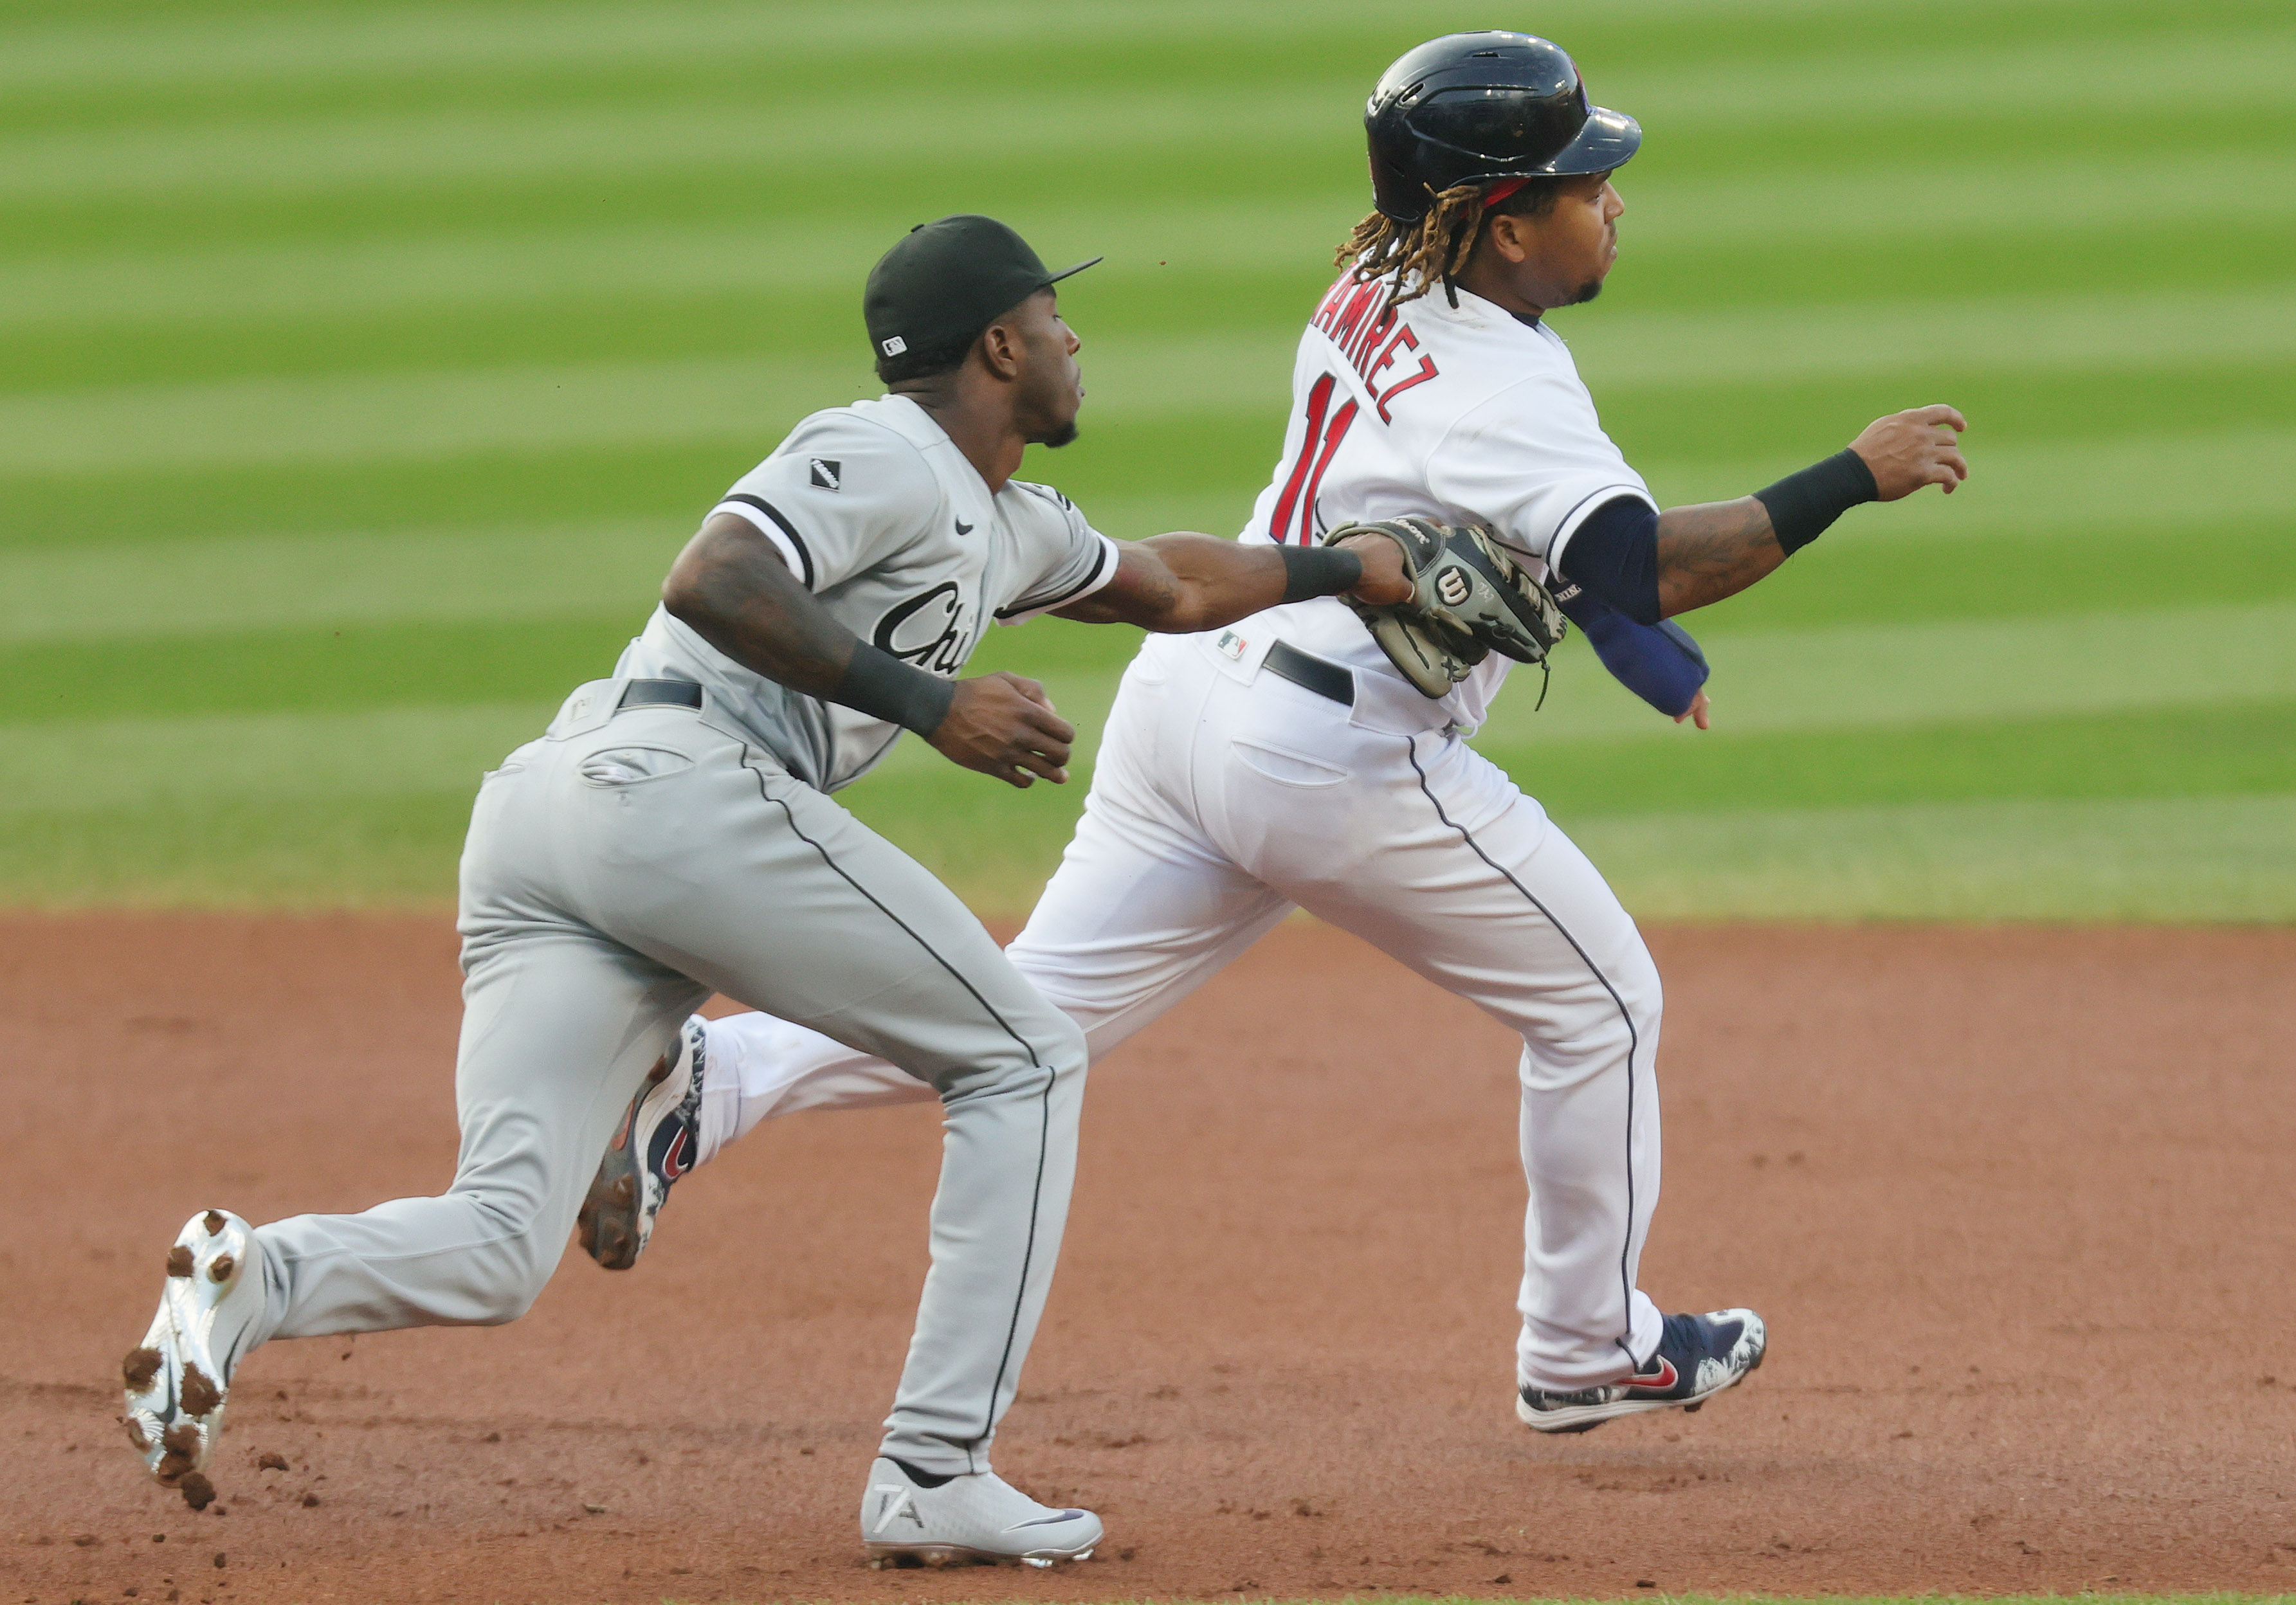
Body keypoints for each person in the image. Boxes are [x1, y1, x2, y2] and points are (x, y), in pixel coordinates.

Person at [583, 33, 1969, 1435]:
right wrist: (1852, 477)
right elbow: (1636, 564)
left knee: (1036, 1006)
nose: (1614, 200)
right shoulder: (1509, 390)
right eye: (1583, 180)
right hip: (1334, 756)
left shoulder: (1377, 270)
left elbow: (1567, 560)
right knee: (1604, 1006)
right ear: (1498, 222)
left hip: (1195, 701)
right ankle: (1586, 1346)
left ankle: (717, 1078)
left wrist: (1646, 656)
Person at [118, 213, 1412, 1564]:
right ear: (999, 343)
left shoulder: (1008, 523)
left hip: (554, 823)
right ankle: (933, 1469)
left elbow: (1173, 583)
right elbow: (715, 575)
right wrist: (931, 705)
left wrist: (1348, 566)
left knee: (500, 1242)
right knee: (1024, 1056)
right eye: (1054, 317)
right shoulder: (881, 452)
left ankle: (249, 1278)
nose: (1077, 340)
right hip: (671, 793)